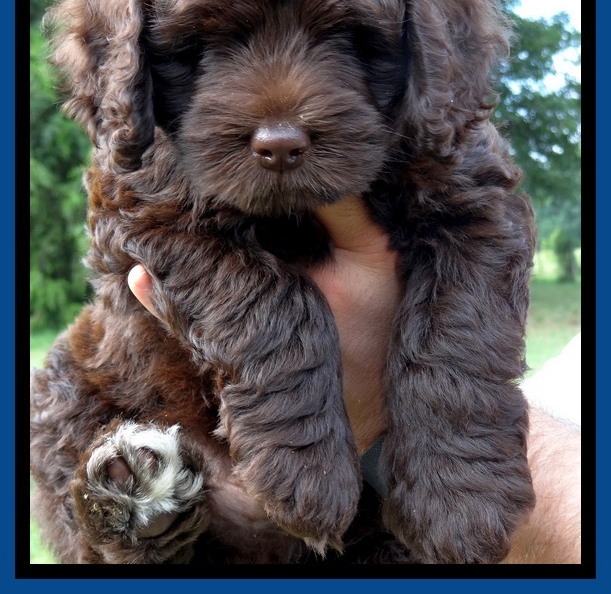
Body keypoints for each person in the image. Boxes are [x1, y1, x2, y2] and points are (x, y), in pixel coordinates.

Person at [128, 195, 581, 565]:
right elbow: (139, 219)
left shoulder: (442, 149)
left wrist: (441, 435)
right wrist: (289, 374)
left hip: (371, 520)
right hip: (182, 432)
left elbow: (486, 221)